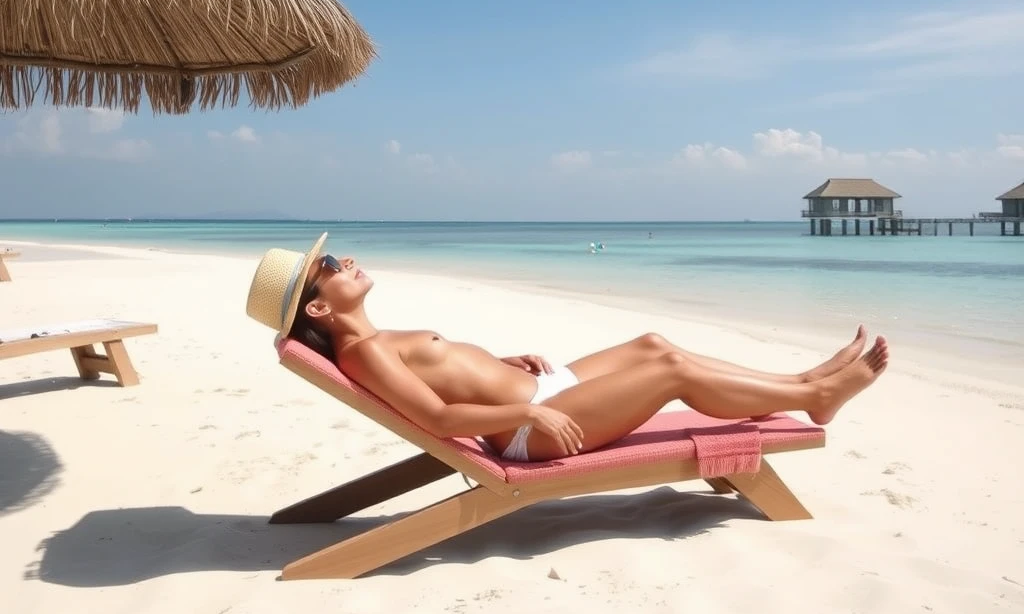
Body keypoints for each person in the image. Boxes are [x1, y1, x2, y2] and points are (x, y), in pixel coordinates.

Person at [246, 234, 888, 463]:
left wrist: (501, 365)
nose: (345, 258)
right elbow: (439, 420)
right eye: (330, 263)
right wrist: (525, 413)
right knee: (668, 369)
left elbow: (451, 383)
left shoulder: (376, 340)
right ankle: (817, 397)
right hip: (536, 433)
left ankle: (803, 379)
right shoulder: (363, 354)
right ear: (320, 308)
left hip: (540, 395)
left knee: (652, 343)